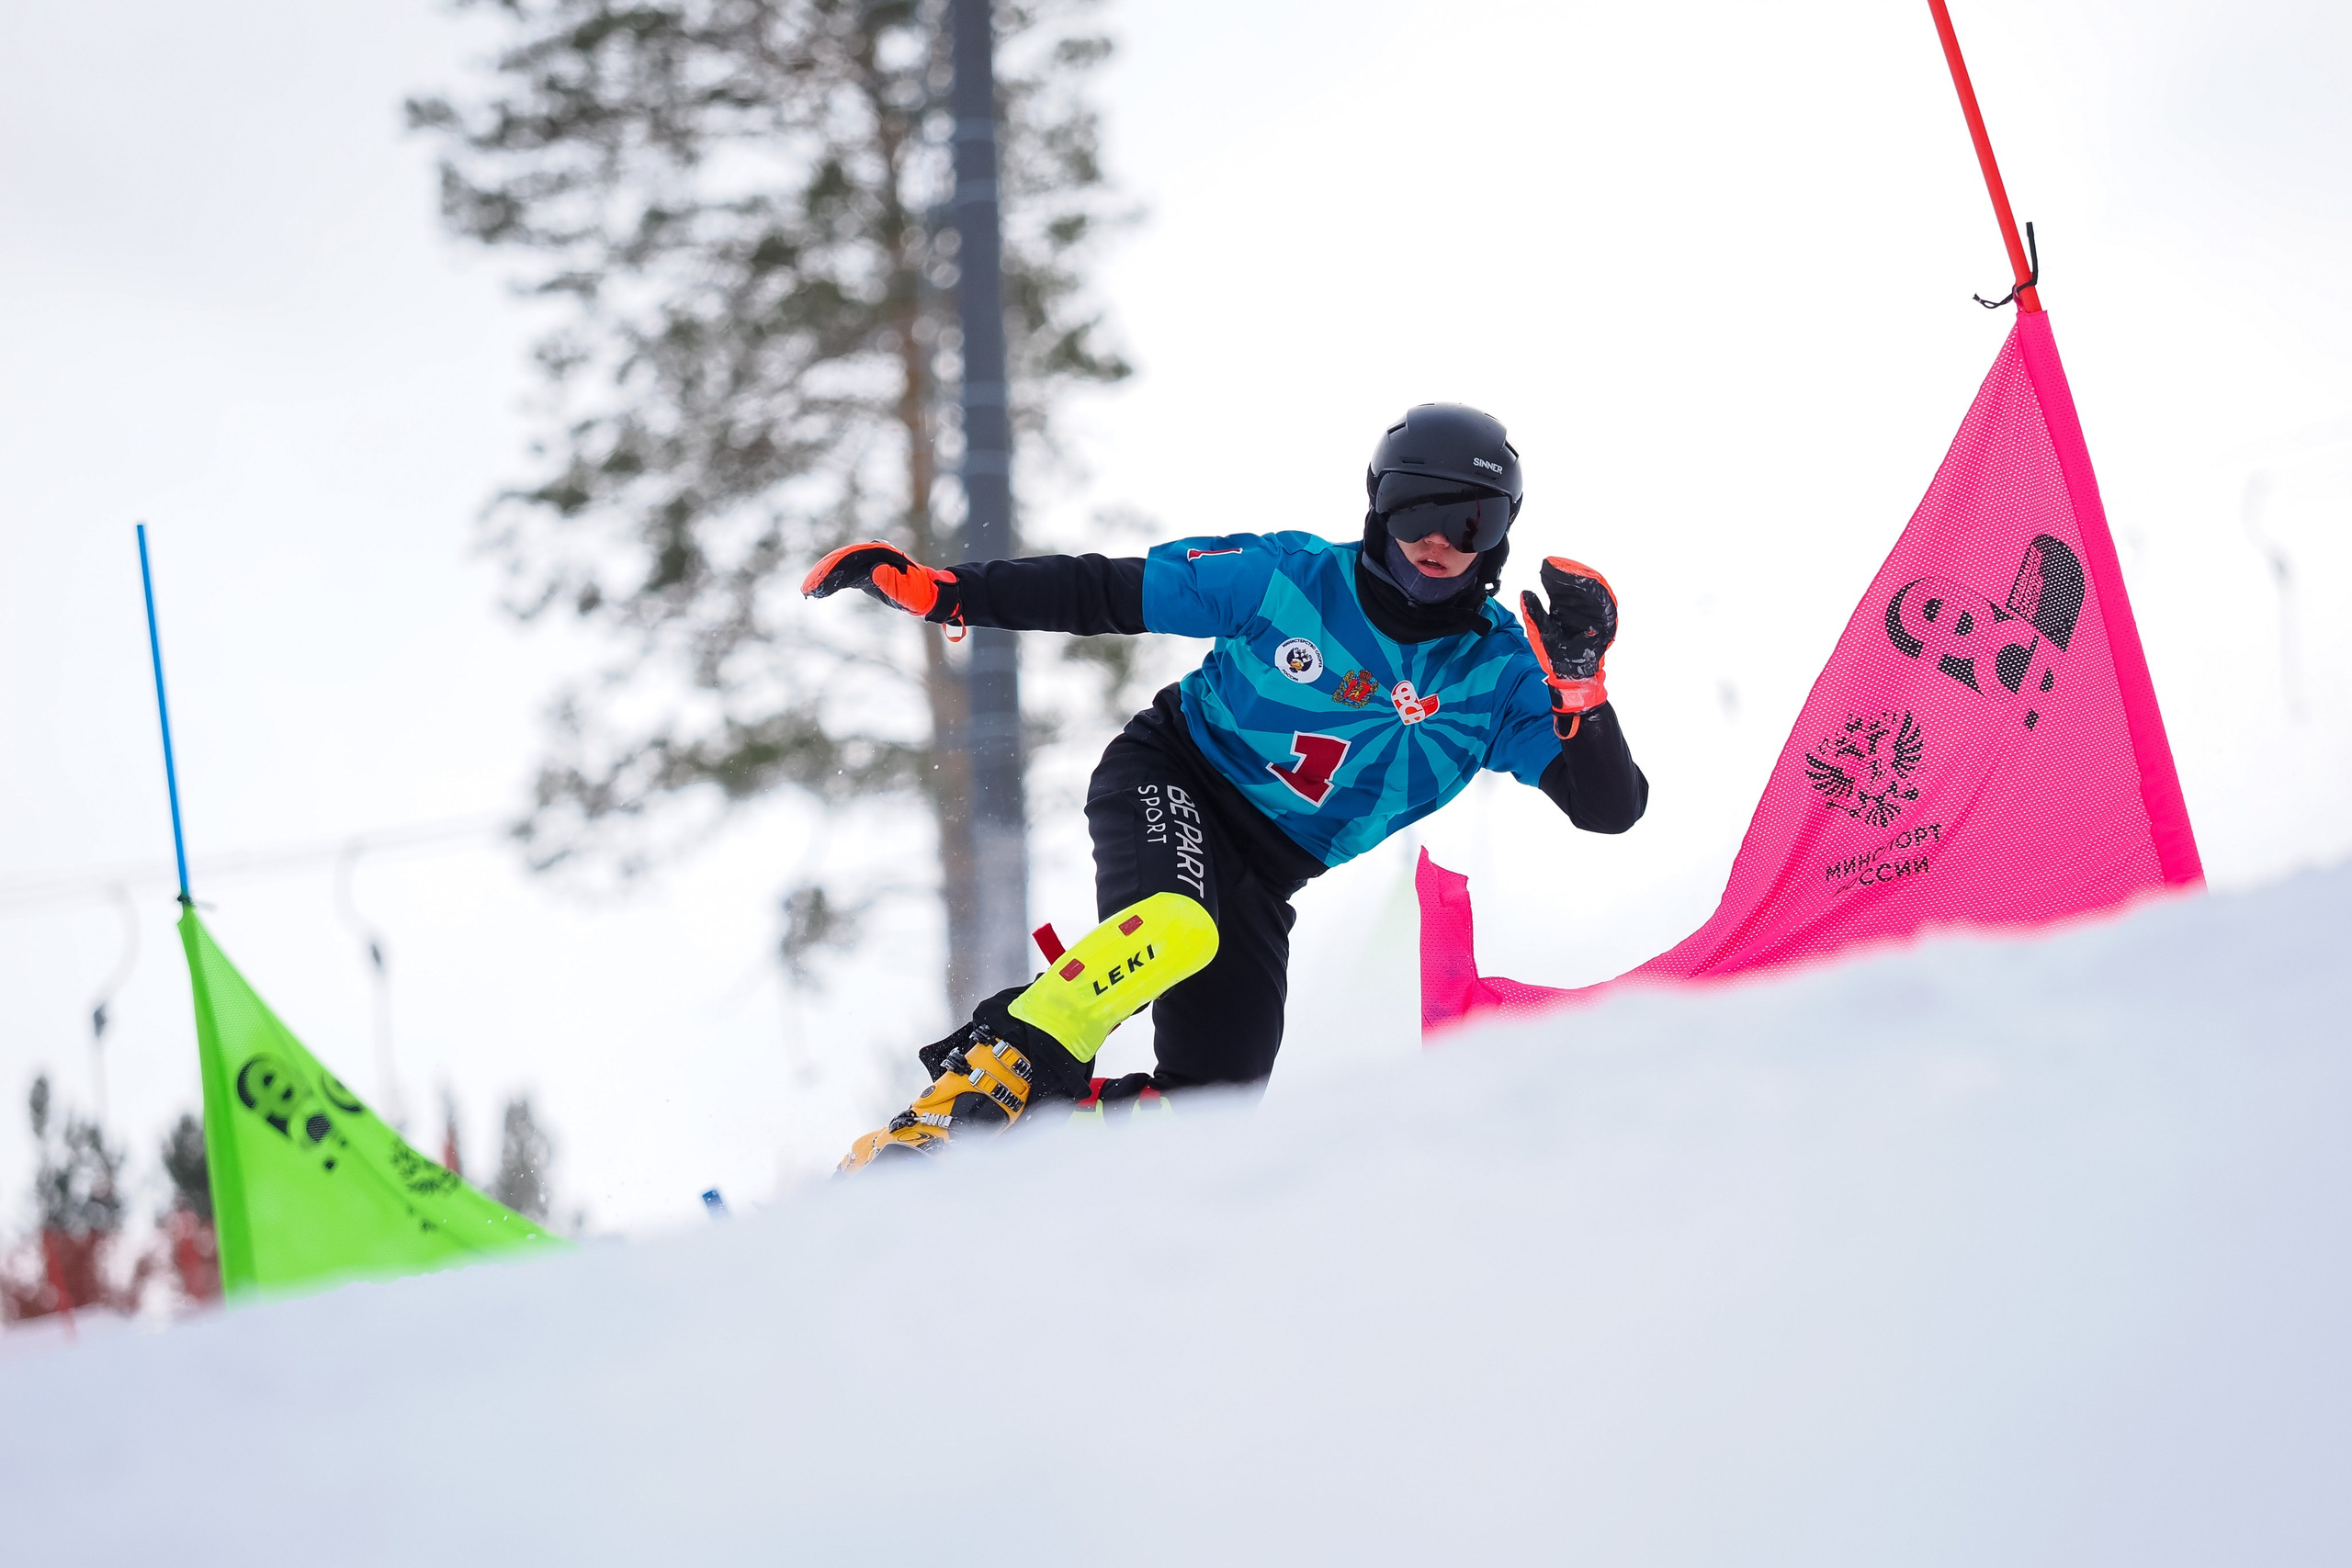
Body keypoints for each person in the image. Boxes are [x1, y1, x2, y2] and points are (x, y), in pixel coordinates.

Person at [803, 403, 1647, 1169]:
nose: (1441, 539)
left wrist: (1581, 688)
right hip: (1175, 776)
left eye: (1472, 519)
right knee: (1173, 924)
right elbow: (1107, 590)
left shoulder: (1500, 673)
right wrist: (945, 591)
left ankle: (1026, 1160)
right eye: (1419, 508)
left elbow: (1609, 807)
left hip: (1267, 875)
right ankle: (951, 1112)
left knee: (1216, 1110)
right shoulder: (1287, 579)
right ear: (1380, 507)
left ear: (1500, 534)